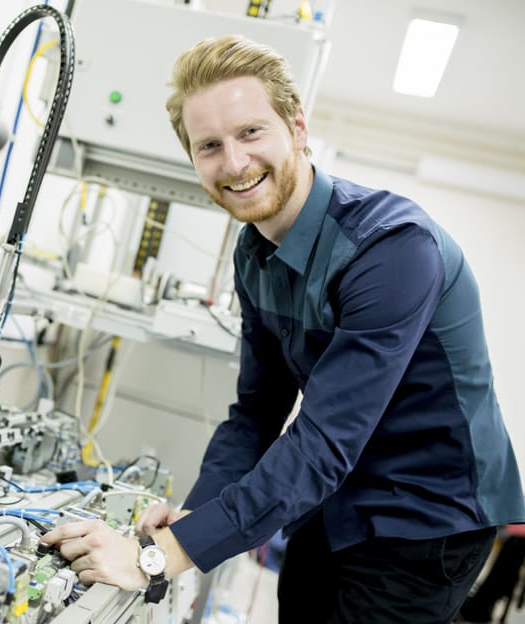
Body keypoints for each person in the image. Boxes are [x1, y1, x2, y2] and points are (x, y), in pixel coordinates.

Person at [40, 35, 525, 622]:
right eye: (209, 146)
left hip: (425, 517)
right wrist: (196, 515)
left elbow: (323, 442)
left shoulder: (391, 249)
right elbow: (258, 409)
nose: (234, 163)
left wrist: (159, 557)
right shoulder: (253, 255)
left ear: (296, 127)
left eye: (250, 132)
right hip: (334, 500)